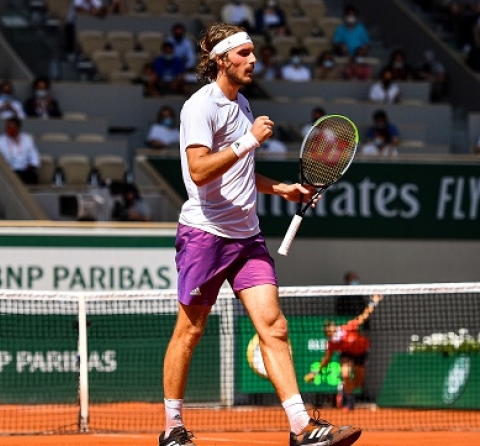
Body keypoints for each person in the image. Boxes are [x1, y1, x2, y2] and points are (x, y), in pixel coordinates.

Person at [160, 23, 361, 446]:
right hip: (205, 234)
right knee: (190, 332)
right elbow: (199, 170)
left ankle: (301, 427)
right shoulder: (200, 106)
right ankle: (173, 427)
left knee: (275, 327)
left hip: (247, 238)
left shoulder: (244, 104)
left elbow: (238, 173)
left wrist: (281, 188)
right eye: (244, 53)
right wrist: (248, 141)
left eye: (253, 52)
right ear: (221, 60)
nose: (253, 60)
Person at [304, 294, 383, 411]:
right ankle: (349, 401)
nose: (329, 332)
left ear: (334, 327)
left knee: (358, 382)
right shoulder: (332, 344)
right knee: (345, 375)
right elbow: (326, 360)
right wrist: (315, 373)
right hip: (346, 354)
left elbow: (364, 316)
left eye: (330, 329)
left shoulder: (349, 327)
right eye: (327, 332)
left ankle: (345, 389)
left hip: (361, 352)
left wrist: (374, 302)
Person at [0, 117, 40, 184]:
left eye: (11, 128)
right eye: (7, 127)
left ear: (18, 128)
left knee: (32, 176)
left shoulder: (27, 139)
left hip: (24, 171)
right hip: (8, 171)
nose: (8, 130)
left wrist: (30, 167)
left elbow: (34, 158)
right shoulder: (1, 140)